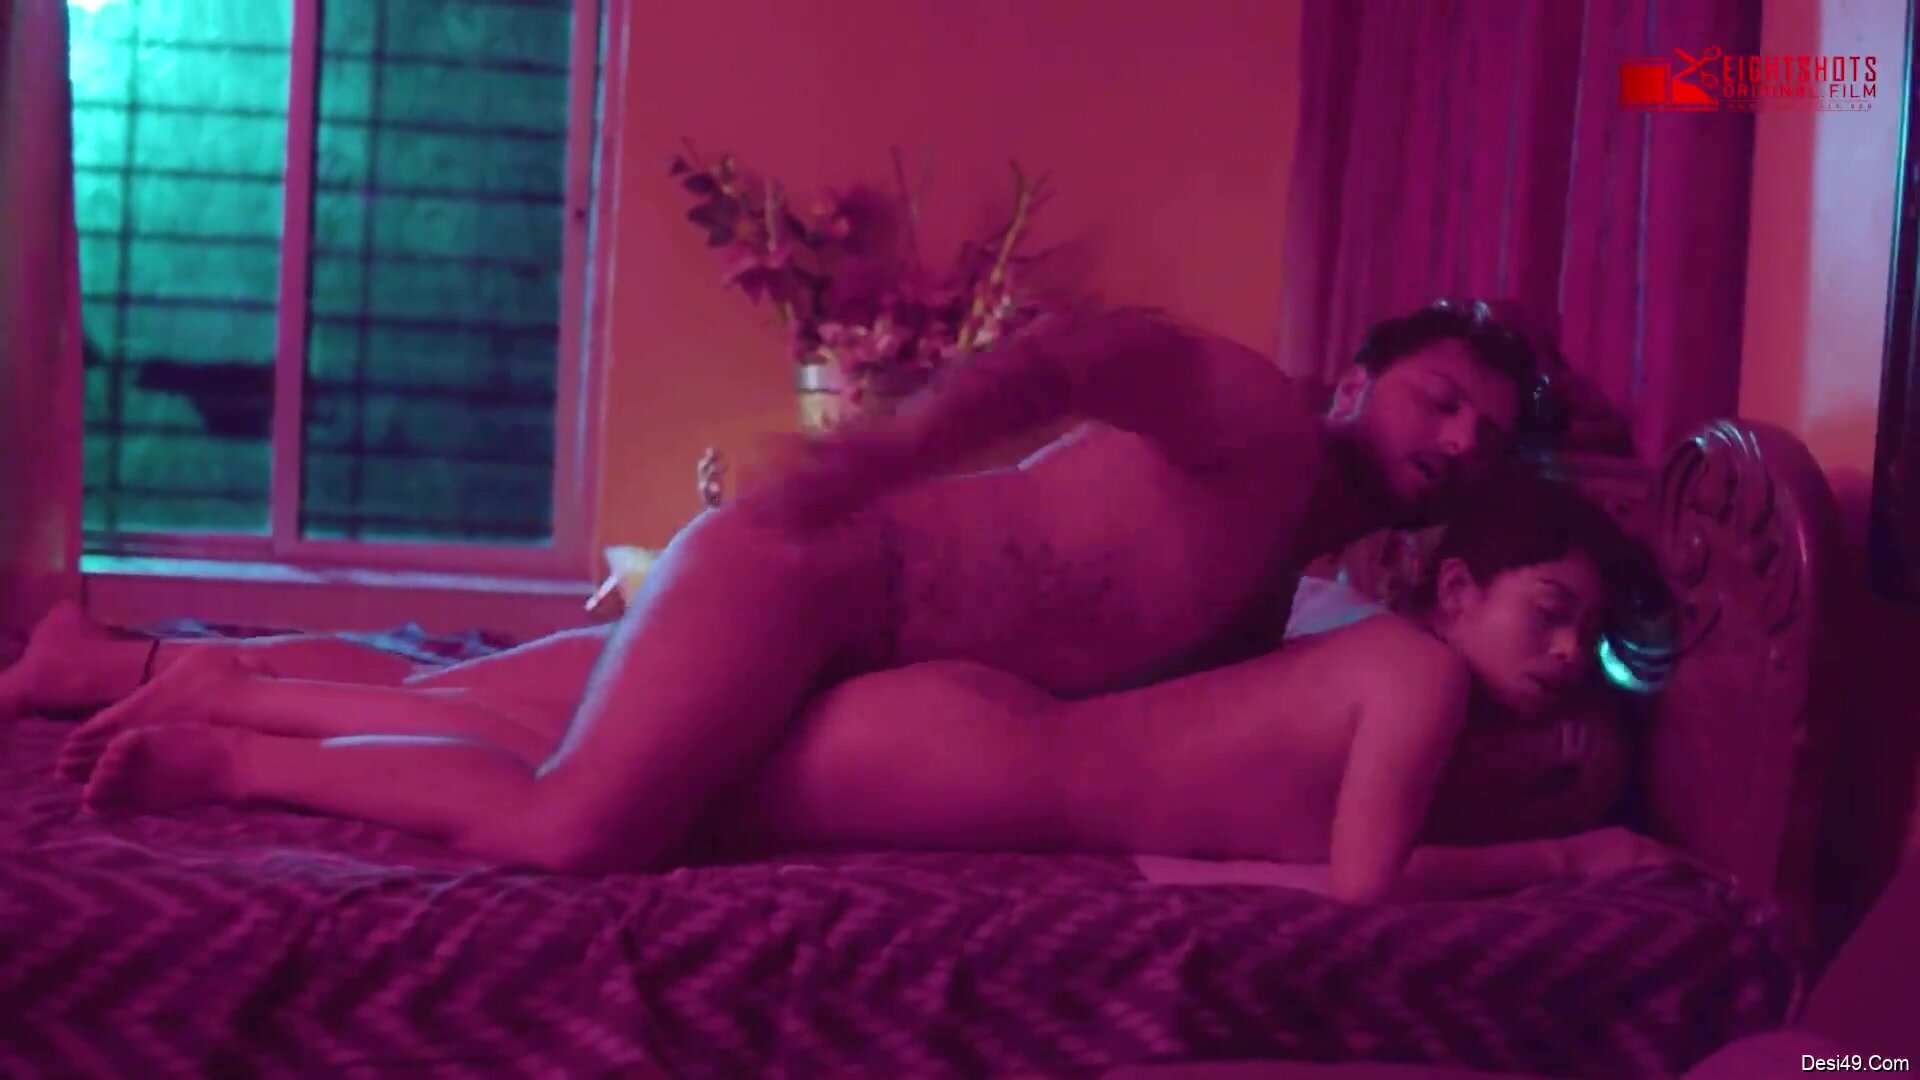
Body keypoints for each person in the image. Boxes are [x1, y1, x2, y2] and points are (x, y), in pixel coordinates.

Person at [30, 300, 1546, 876]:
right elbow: (1084, 354)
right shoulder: (1264, 422)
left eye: (1490, 434)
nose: (1463, 440)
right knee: (575, 826)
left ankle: (173, 672)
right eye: (1444, 399)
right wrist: (881, 454)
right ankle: (230, 759)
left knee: (481, 706)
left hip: (845, 649)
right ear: (1358, 379)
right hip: (820, 574)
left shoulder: (1303, 568)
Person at [64, 476, 1682, 903]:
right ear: (1456, 590)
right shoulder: (1413, 677)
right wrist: (1568, 855)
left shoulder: (1363, 648)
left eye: (1588, 642)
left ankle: (231, 702)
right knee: (576, 814)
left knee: (541, 727)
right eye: (1552, 616)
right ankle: (241, 758)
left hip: (969, 734)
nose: (1562, 660)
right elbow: (1360, 891)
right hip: (967, 766)